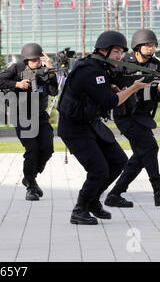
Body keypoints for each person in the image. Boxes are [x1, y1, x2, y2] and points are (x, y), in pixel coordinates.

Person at [57, 30, 151, 225]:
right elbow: (109, 102)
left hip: (91, 123)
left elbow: (98, 92)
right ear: (103, 50)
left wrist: (112, 87)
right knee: (99, 169)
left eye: (121, 52)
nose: (120, 56)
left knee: (118, 161)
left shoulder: (100, 67)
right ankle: (80, 209)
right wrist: (133, 88)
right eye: (116, 51)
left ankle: (92, 202)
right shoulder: (91, 70)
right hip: (74, 128)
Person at [104, 29, 160, 208]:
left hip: (142, 117)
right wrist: (116, 87)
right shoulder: (123, 63)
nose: (151, 48)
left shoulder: (155, 66)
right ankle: (158, 191)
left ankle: (115, 194)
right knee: (150, 147)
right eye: (148, 45)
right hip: (125, 115)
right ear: (137, 47)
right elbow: (108, 82)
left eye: (153, 45)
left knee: (141, 155)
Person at [0, 43, 58, 201]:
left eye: (39, 59)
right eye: (33, 60)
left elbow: (53, 91)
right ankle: (31, 187)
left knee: (48, 149)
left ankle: (30, 177)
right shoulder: (16, 69)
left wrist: (50, 70)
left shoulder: (45, 71)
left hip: (40, 117)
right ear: (26, 60)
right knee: (32, 149)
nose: (37, 62)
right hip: (21, 116)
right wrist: (17, 84)